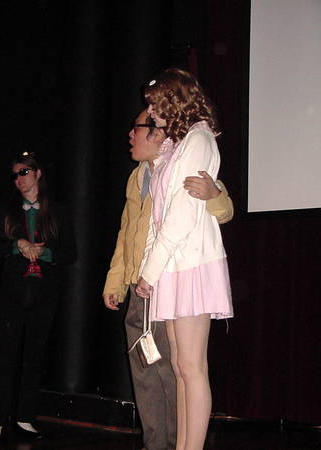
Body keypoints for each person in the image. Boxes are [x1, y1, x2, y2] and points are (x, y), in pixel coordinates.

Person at [103, 109, 233, 450]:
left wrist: (214, 194)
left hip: (167, 281)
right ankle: (155, 443)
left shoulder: (182, 163)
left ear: (158, 133)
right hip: (138, 284)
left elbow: (223, 213)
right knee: (145, 370)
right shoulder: (137, 178)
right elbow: (126, 232)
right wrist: (116, 281)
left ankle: (180, 441)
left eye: (136, 128)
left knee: (176, 371)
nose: (130, 136)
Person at [135, 68, 233, 450]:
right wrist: (151, 269)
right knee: (179, 367)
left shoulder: (199, 138)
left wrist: (150, 269)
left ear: (174, 99)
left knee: (192, 367)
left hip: (191, 263)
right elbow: (157, 217)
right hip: (173, 266)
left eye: (154, 103)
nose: (149, 110)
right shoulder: (175, 146)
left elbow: (182, 213)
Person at [0, 152, 77, 442]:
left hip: (44, 294)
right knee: (6, 356)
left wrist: (44, 252)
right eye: (15, 175)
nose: (19, 179)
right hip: (12, 294)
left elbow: (70, 253)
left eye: (24, 172)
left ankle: (25, 417)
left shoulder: (58, 211)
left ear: (38, 173)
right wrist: (17, 245)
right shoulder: (8, 211)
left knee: (34, 357)